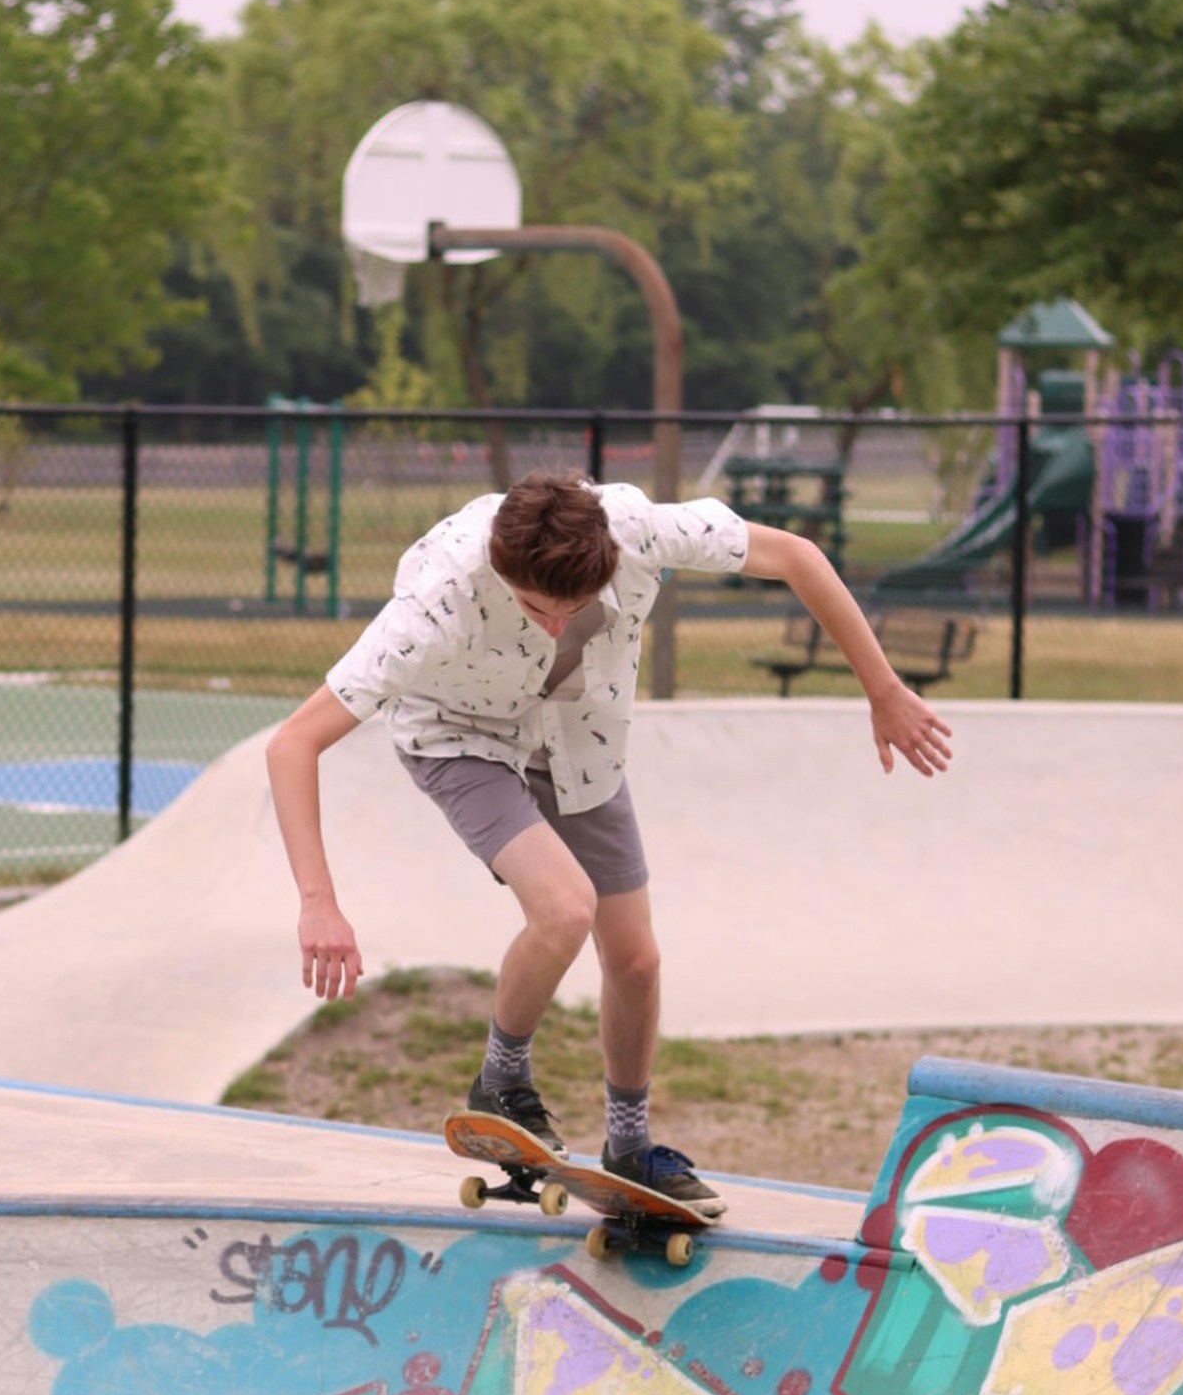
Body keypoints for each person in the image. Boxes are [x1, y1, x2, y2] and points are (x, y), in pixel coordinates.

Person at [265, 471, 951, 1212]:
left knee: (636, 959)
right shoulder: (438, 598)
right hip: (462, 739)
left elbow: (796, 556)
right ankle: (501, 1080)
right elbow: (293, 743)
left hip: (580, 740)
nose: (554, 627)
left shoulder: (639, 529)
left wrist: (882, 687)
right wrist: (318, 902)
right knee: (564, 909)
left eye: (575, 608)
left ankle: (630, 1144)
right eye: (534, 608)